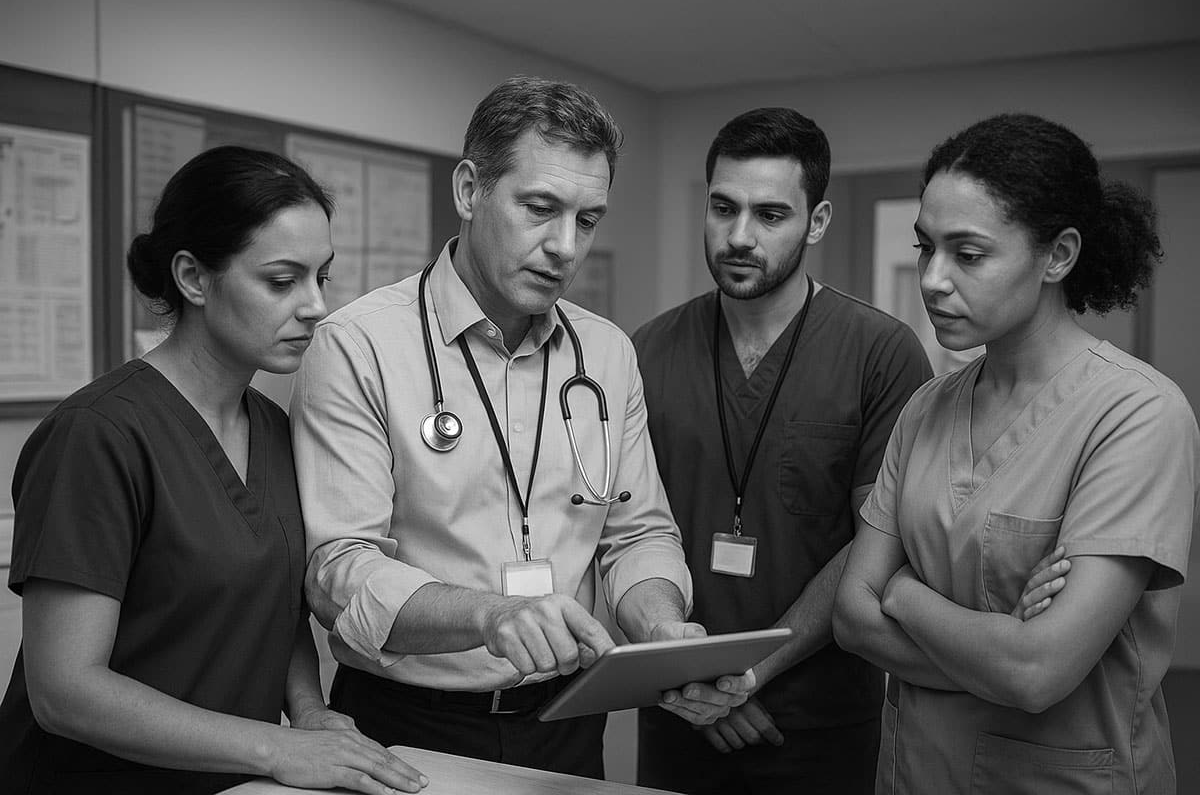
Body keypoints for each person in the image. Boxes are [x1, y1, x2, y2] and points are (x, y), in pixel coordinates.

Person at [290, 75, 751, 780]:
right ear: (471, 190)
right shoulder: (360, 345)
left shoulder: (606, 354)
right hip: (411, 722)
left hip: (566, 719)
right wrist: (489, 615)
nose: (565, 246)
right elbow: (340, 569)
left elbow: (638, 535)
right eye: (540, 208)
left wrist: (659, 626)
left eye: (587, 219)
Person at [0, 146, 427, 795]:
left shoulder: (275, 431)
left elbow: (274, 612)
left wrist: (308, 712)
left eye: (323, 278)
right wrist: (275, 746)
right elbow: (65, 691)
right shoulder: (99, 437)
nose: (314, 306)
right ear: (194, 278)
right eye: (283, 282)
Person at [833, 113, 1199, 794]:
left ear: (1057, 255)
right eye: (926, 248)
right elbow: (853, 616)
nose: (934, 279)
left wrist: (905, 590)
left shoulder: (1138, 415)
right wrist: (998, 645)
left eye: (967, 255)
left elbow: (1038, 673)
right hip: (912, 773)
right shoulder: (926, 409)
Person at [631, 107, 932, 794]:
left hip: (816, 722)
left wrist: (747, 677)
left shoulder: (880, 354)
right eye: (722, 208)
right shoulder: (644, 351)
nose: (740, 236)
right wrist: (689, 680)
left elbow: (877, 543)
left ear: (816, 222)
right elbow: (622, 532)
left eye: (770, 215)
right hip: (678, 713)